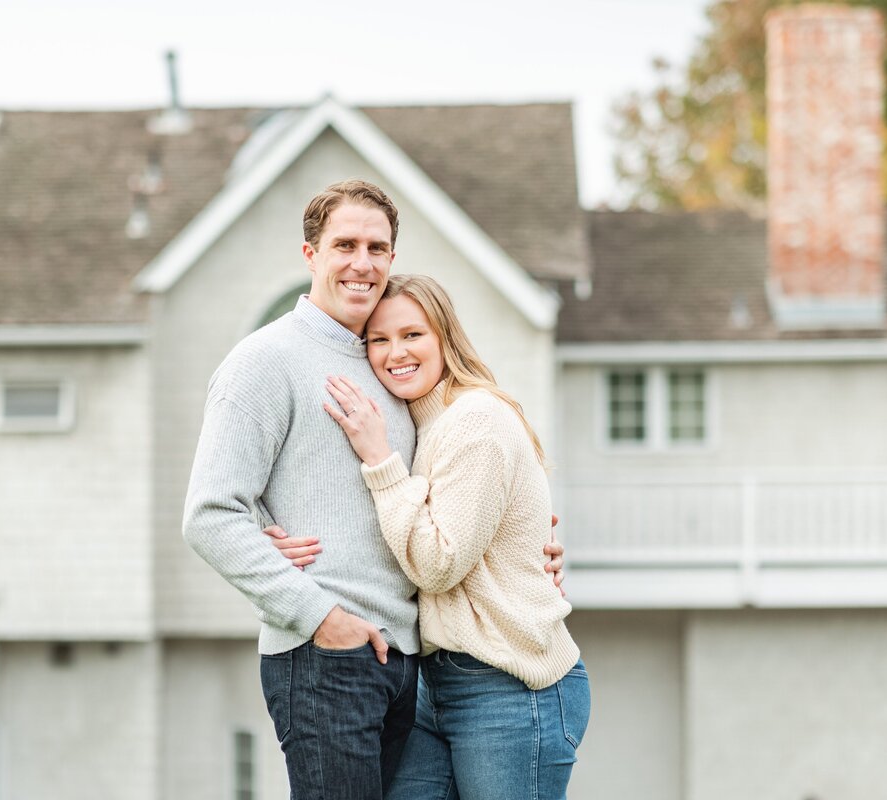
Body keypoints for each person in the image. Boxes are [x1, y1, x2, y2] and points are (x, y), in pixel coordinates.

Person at [183, 179, 565, 800]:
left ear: (392, 259)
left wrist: (523, 555)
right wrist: (320, 617)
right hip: (328, 654)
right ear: (310, 255)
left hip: (409, 662)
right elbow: (210, 516)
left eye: (378, 248)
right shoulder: (263, 361)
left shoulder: (390, 362)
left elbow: (456, 489)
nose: (362, 263)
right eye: (345, 245)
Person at [274, 274, 590, 799]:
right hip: (431, 683)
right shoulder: (423, 425)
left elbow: (438, 563)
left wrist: (380, 462)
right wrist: (272, 537)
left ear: (445, 336)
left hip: (509, 684)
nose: (395, 352)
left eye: (412, 335)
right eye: (379, 340)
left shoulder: (476, 421)